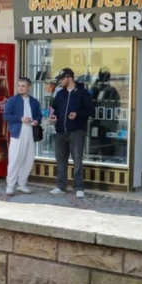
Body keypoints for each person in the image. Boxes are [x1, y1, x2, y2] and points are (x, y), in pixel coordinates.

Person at [47, 67, 94, 198]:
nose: (60, 81)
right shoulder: (60, 94)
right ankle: (60, 186)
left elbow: (90, 111)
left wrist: (77, 114)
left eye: (62, 79)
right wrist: (53, 116)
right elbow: (54, 109)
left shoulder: (83, 93)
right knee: (60, 160)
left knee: (77, 160)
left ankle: (78, 187)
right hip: (61, 131)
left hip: (77, 131)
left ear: (69, 78)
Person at [3, 77, 42, 195]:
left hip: (30, 131)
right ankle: (10, 185)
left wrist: (36, 121)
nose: (20, 88)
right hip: (17, 132)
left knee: (28, 159)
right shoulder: (12, 101)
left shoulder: (34, 102)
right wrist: (20, 119)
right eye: (19, 85)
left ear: (29, 87)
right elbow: (6, 116)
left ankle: (22, 183)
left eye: (23, 86)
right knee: (15, 159)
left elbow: (39, 116)